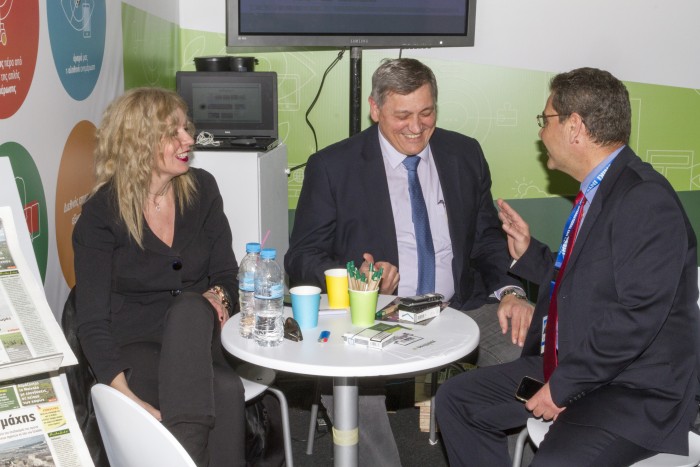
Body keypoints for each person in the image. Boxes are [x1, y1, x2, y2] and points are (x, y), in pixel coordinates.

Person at [436, 67, 699, 466]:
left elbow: (636, 318)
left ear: (574, 126)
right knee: (458, 400)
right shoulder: (602, 189)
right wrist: (529, 254)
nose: (541, 133)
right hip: (579, 365)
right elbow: (587, 280)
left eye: (546, 120)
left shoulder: (645, 200)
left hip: (631, 390)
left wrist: (562, 388)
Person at [285, 58, 534, 365]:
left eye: (426, 113)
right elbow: (302, 256)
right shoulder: (333, 167)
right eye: (403, 116)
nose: (416, 128)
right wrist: (355, 281)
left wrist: (511, 293)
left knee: (531, 352)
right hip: (374, 315)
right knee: (361, 379)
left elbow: (487, 239)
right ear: (375, 109)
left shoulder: (464, 154)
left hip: (461, 308)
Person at [73, 87, 245, 467]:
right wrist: (124, 395)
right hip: (136, 346)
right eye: (173, 133)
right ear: (139, 143)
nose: (189, 140)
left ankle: (185, 457)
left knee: (190, 309)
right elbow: (91, 322)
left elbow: (226, 275)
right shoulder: (101, 216)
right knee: (226, 389)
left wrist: (218, 295)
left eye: (186, 128)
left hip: (199, 338)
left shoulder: (202, 190)